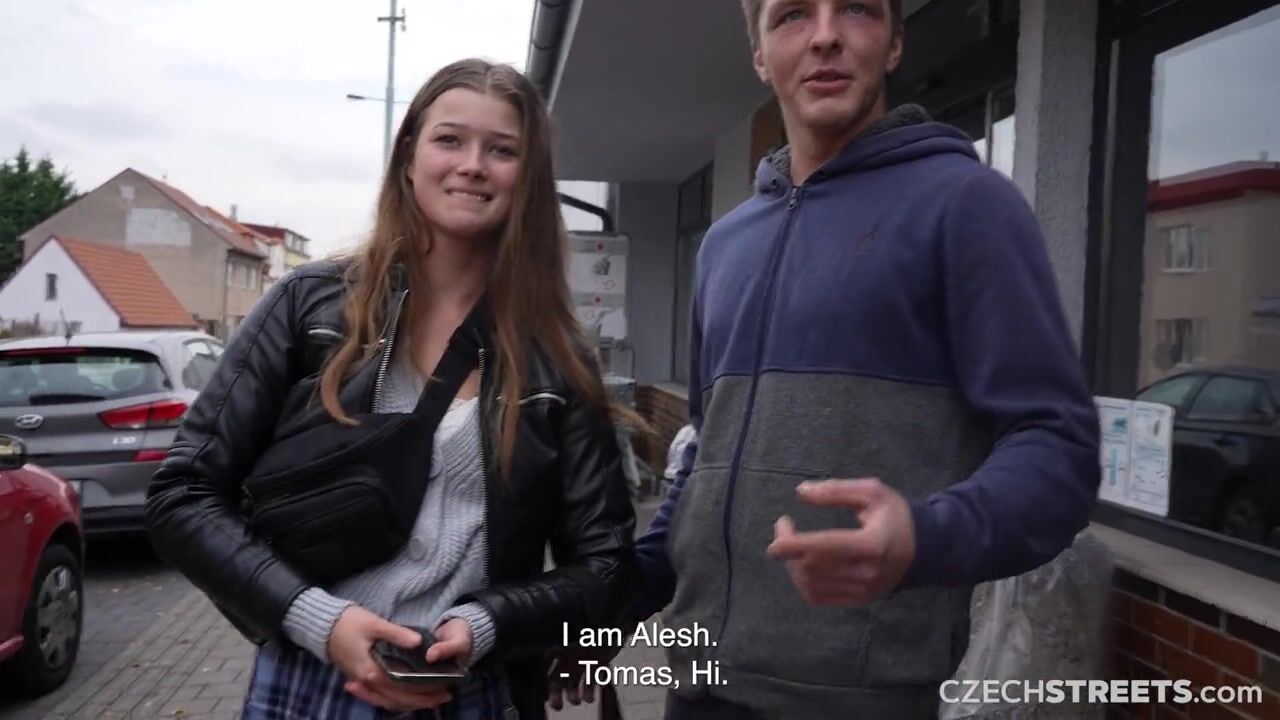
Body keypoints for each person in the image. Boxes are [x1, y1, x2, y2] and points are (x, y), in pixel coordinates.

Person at [550, 1, 1101, 718]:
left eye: (858, 10)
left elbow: (1059, 450)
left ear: (895, 42)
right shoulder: (725, 245)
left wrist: (926, 538)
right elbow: (703, 463)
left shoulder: (968, 207)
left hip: (860, 699)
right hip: (698, 683)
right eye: (792, 16)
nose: (826, 36)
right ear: (759, 53)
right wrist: (610, 614)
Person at [145, 58, 637, 720]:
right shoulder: (310, 305)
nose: (472, 165)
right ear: (409, 157)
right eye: (449, 140)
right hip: (312, 681)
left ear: (529, 178)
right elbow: (184, 494)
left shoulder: (557, 357)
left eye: (502, 150)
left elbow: (606, 567)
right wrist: (319, 620)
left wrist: (487, 623)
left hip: (474, 692)